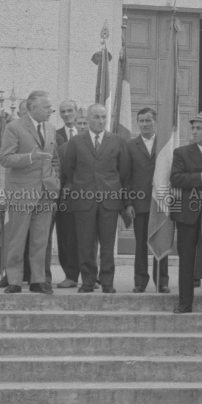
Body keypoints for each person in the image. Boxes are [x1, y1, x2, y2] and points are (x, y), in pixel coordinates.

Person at [62, 103, 130, 294]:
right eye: (97, 117)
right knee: (85, 244)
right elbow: (69, 169)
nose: (101, 121)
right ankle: (88, 282)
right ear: (88, 119)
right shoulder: (76, 142)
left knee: (107, 244)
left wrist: (123, 201)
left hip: (110, 201)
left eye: (103, 117)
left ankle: (107, 282)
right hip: (83, 200)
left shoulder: (117, 141)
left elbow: (123, 172)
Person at [0, 90, 60, 294]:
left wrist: (55, 181)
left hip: (45, 192)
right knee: (17, 238)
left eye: (50, 106)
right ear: (32, 108)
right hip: (22, 192)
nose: (51, 110)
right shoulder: (14, 127)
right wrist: (30, 158)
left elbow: (54, 160)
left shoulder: (51, 128)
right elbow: (5, 158)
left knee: (40, 239)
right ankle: (14, 280)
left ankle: (38, 280)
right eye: (46, 107)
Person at [170, 111, 202, 315]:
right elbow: (176, 179)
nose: (194, 132)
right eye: (193, 128)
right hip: (187, 215)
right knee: (186, 260)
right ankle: (185, 304)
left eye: (199, 128)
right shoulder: (182, 152)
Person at [126, 107, 169, 293]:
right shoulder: (130, 145)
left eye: (148, 121)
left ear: (155, 122)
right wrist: (128, 203)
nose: (144, 124)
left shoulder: (165, 143)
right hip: (140, 202)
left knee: (161, 241)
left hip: (161, 202)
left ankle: (162, 281)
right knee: (141, 243)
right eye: (141, 121)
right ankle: (140, 281)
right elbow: (126, 176)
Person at [54, 100, 81, 288]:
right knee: (66, 238)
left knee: (87, 238)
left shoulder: (89, 134)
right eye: (63, 111)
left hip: (88, 196)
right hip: (64, 197)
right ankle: (69, 275)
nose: (67, 114)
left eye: (70, 110)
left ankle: (89, 274)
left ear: (77, 111)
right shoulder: (55, 136)